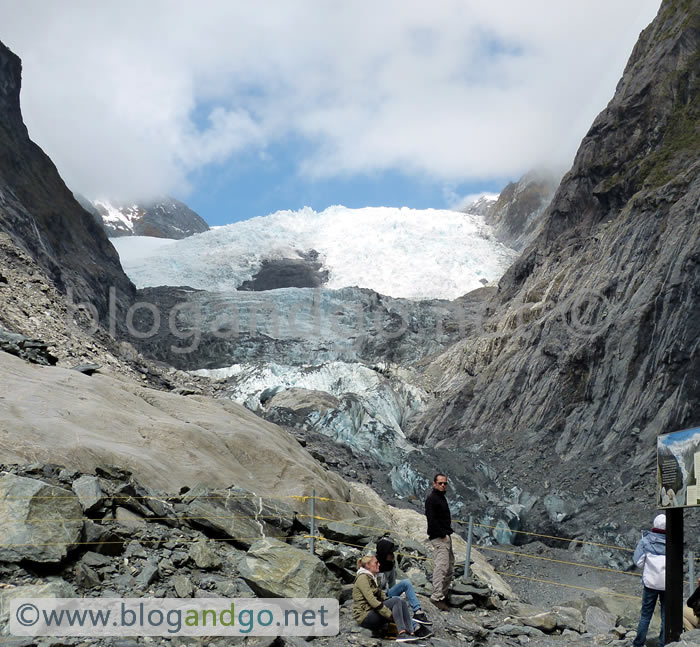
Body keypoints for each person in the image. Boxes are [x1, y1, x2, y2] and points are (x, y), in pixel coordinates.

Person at [352, 555, 421, 643]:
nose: (379, 564)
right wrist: (389, 614)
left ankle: (410, 632)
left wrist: (391, 605)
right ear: (368, 565)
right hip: (365, 616)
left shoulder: (372, 577)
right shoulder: (362, 578)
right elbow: (372, 601)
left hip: (372, 612)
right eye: (376, 563)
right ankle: (401, 633)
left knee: (401, 601)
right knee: (396, 601)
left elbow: (381, 596)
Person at [375, 536, 433, 635]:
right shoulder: (373, 565)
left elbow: (392, 584)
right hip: (377, 598)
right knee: (398, 603)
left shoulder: (390, 565)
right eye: (390, 553)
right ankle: (415, 626)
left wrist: (394, 597)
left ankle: (418, 612)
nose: (392, 555)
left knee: (406, 582)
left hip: (386, 594)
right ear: (384, 553)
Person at [633, 513, 666, 647]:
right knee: (666, 616)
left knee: (646, 615)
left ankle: (638, 643)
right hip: (667, 584)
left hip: (650, 583)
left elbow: (638, 562)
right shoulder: (673, 541)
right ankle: (663, 643)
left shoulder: (646, 541)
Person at [425, 472, 454, 611]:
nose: (443, 485)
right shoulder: (432, 499)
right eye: (440, 483)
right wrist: (442, 534)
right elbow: (432, 520)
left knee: (449, 567)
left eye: (445, 483)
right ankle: (436, 597)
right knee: (441, 567)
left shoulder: (440, 497)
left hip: (445, 535)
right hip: (439, 537)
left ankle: (443, 594)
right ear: (434, 484)